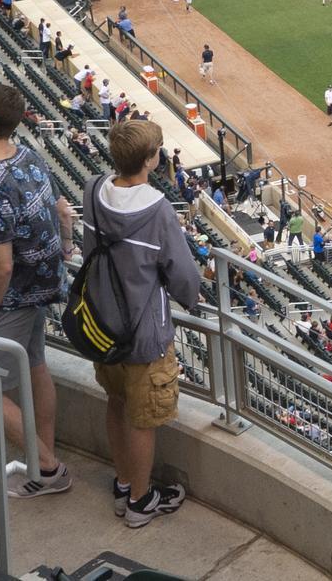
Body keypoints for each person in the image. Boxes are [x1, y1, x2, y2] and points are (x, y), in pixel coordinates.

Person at [84, 120, 203, 526]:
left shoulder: (93, 189)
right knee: (142, 418)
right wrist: (191, 300)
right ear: (151, 159)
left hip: (102, 325)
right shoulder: (158, 209)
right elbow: (185, 277)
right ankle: (139, 500)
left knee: (116, 403)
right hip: (143, 335)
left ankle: (123, 482)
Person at [0, 80, 75, 499]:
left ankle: (48, 468)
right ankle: (40, 461)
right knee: (35, 366)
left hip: (11, 297)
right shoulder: (28, 156)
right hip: (44, 287)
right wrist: (66, 246)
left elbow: (1, 265)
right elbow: (62, 212)